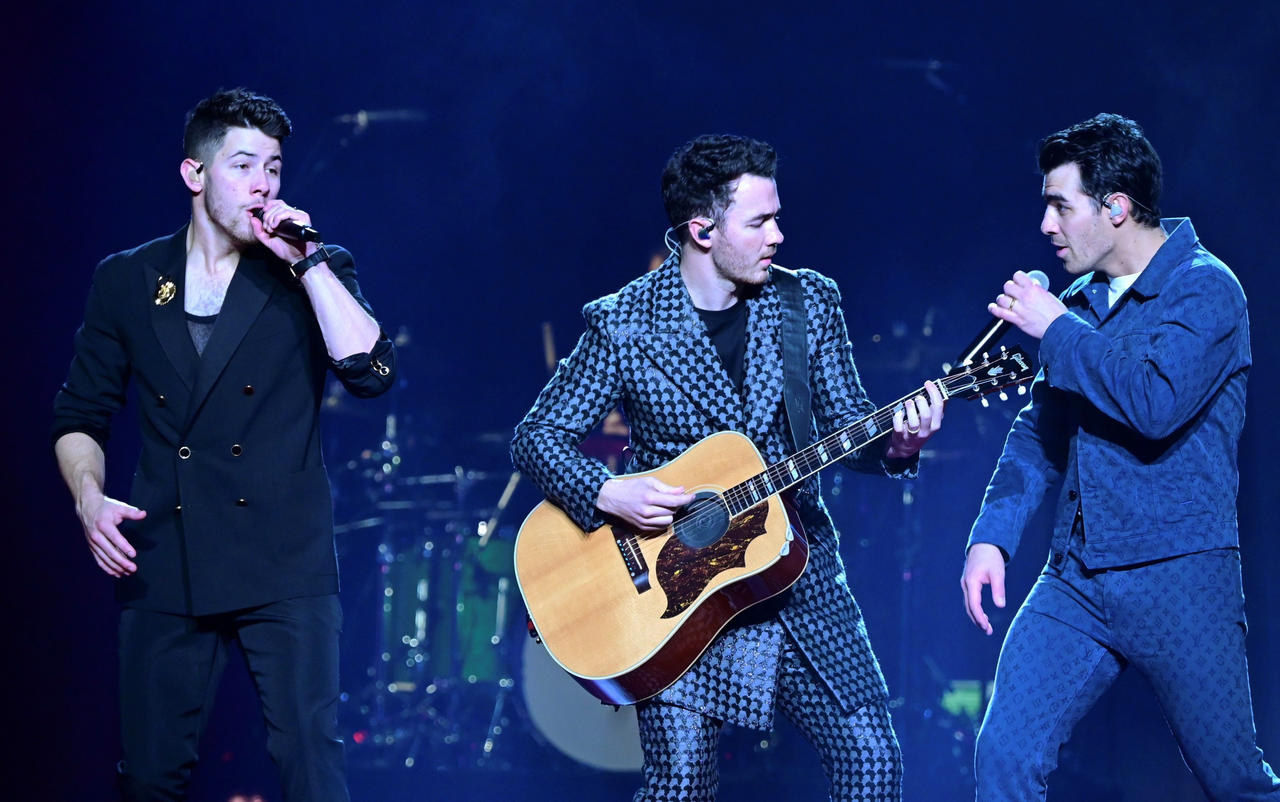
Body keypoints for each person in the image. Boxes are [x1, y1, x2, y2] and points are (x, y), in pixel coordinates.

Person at [512, 134, 944, 801]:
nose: (778, 235)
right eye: (759, 221)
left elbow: (848, 423)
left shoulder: (807, 302)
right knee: (681, 789)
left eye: (777, 217)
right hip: (674, 588)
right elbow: (538, 436)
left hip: (797, 572)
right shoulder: (625, 324)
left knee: (873, 763)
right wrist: (607, 491)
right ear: (702, 230)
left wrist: (899, 447)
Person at [52, 88, 396, 801]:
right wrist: (88, 499)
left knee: (311, 763)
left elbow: (371, 373)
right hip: (167, 551)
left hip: (285, 555)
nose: (263, 184)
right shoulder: (127, 278)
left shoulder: (311, 267)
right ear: (195, 173)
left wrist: (307, 262)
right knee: (150, 775)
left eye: (273, 167)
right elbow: (80, 414)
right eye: (243, 165)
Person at [961, 113, 1280, 800]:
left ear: (1116, 208)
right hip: (1075, 579)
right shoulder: (1078, 303)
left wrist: (1055, 327)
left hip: (1180, 578)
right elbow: (1040, 432)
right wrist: (992, 537)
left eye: (1060, 206)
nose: (1046, 225)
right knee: (1004, 755)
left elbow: (1154, 402)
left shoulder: (1205, 288)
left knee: (1235, 783)